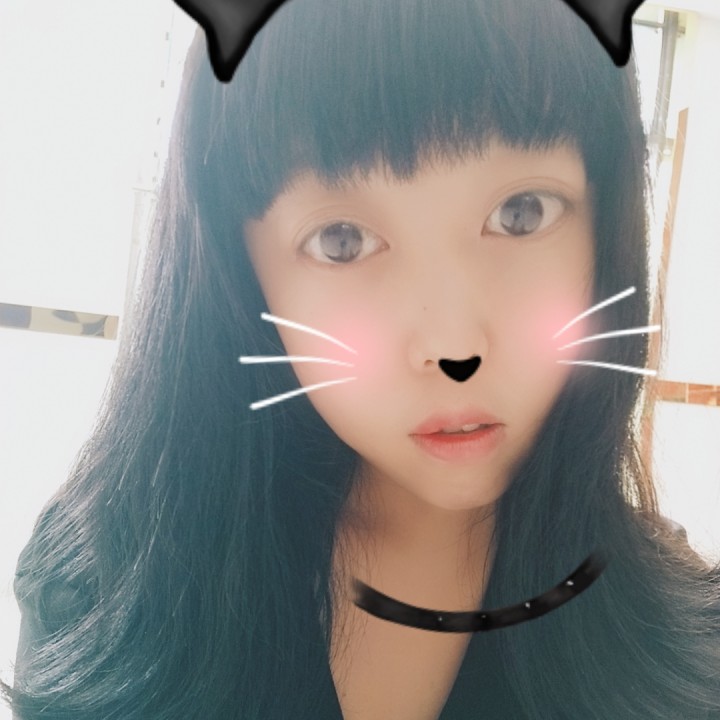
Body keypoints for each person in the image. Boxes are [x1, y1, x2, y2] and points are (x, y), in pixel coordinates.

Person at [3, 0, 719, 717]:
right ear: (238, 272)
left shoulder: (684, 630)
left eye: (522, 212)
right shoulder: (103, 597)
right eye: (341, 240)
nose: (455, 348)